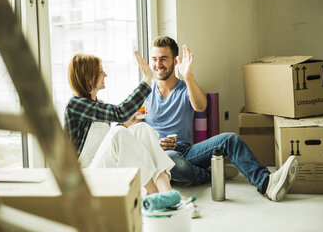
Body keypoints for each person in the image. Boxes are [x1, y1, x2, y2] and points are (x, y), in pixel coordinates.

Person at [144, 35, 298, 202]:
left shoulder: (184, 87)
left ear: (174, 61)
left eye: (163, 59)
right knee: (170, 158)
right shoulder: (144, 91)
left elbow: (201, 106)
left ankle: (267, 183)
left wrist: (188, 76)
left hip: (186, 152)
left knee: (230, 139)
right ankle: (208, 175)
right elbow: (134, 130)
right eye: (154, 59)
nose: (158, 64)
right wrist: (155, 145)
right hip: (160, 156)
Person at [64, 52, 175, 195]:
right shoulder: (75, 105)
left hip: (106, 169)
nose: (105, 75)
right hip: (85, 178)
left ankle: (168, 193)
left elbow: (112, 133)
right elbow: (119, 113)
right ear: (89, 76)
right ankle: (153, 194)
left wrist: (130, 120)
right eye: (100, 71)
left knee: (141, 128)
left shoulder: (98, 104)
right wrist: (147, 79)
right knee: (118, 132)